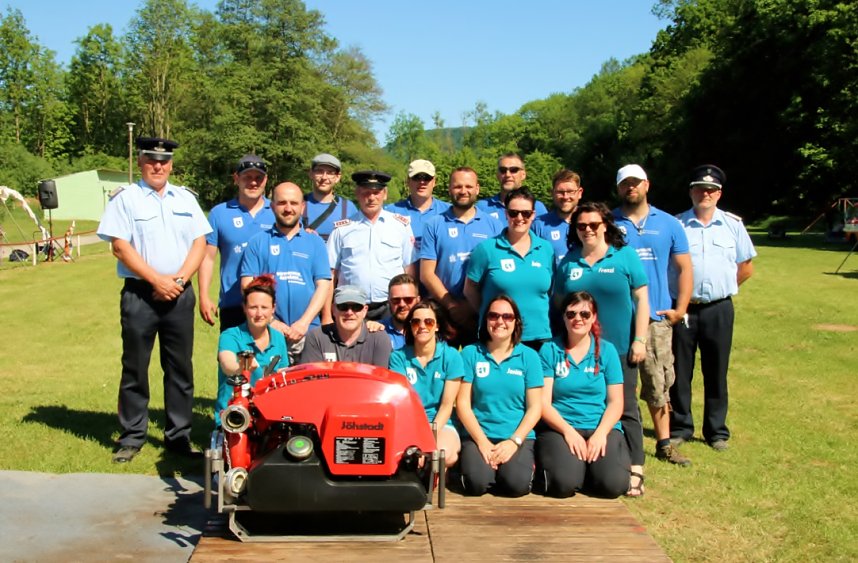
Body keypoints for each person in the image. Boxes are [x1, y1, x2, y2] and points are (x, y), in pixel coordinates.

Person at [96, 137, 211, 463]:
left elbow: (200, 243)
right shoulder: (125, 199)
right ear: (141, 162)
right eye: (151, 160)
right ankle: (132, 436)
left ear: (171, 165)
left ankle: (178, 437)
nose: (158, 166)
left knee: (180, 368)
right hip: (140, 294)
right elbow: (120, 247)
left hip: (179, 293)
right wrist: (157, 280)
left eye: (164, 161)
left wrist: (178, 281)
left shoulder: (186, 198)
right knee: (135, 366)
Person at [553, 201, 650, 495]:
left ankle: (636, 466)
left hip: (619, 348)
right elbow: (559, 304)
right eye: (581, 226)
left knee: (626, 407)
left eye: (594, 224)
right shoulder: (569, 262)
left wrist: (640, 339)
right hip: (579, 349)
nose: (588, 230)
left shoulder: (624, 256)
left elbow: (642, 299)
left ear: (605, 225)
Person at [613, 164, 694, 474]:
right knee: (617, 381)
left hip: (655, 316)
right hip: (618, 316)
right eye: (625, 184)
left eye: (636, 182)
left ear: (647, 184)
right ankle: (619, 438)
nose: (630, 188)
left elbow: (685, 267)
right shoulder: (608, 222)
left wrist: (680, 308)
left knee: (657, 380)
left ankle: (664, 443)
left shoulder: (669, 223)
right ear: (618, 188)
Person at [670, 165, 756, 452]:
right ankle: (681, 426)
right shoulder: (677, 225)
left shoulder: (732, 225)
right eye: (699, 189)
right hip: (683, 308)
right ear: (691, 192)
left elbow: (746, 266)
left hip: (718, 308)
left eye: (710, 190)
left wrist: (723, 287)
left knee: (716, 370)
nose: (704, 194)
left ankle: (716, 431)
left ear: (719, 194)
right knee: (680, 371)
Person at [536, 291, 630, 498]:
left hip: (600, 426)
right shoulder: (550, 350)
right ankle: (576, 469)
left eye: (585, 314)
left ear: (594, 317)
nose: (578, 319)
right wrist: (568, 431)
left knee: (612, 486)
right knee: (563, 484)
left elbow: (616, 402)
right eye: (571, 314)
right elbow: (543, 403)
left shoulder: (607, 351)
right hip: (561, 426)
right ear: (563, 317)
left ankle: (592, 469)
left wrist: (600, 434)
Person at [456, 295, 543, 496]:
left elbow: (535, 408)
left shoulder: (529, 357)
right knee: (476, 484)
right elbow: (462, 404)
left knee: (515, 485)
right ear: (485, 319)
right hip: (479, 434)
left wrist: (514, 442)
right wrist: (482, 442)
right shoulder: (470, 353)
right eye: (493, 316)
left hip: (516, 436)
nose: (500, 321)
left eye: (507, 316)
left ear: (516, 321)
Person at [240, 182, 332, 364]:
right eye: (282, 203)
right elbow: (247, 286)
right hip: (267, 331)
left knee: (309, 381)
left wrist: (304, 322)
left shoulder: (316, 243)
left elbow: (323, 285)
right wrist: (271, 321)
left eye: (294, 203)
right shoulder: (258, 242)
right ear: (272, 206)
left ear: (302, 207)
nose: (288, 209)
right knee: (267, 380)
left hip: (308, 332)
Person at [464, 187, 555, 350]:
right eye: (514, 213)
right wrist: (488, 314)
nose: (519, 218)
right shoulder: (487, 249)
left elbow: (549, 291)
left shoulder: (546, 249)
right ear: (506, 214)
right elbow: (470, 289)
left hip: (539, 337)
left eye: (526, 213)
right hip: (498, 337)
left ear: (533, 215)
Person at [420, 167, 502, 347]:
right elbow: (426, 274)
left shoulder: (494, 226)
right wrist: (452, 306)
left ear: (477, 189)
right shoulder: (434, 224)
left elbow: (497, 271)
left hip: (480, 311)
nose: (463, 191)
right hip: (444, 311)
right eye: (458, 186)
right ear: (449, 189)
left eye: (468, 186)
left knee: (478, 363)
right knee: (442, 363)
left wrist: (471, 306)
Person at [327, 170, 417, 321]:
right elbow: (330, 275)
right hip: (352, 307)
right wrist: (326, 315)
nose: (371, 198)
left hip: (391, 305)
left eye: (376, 192)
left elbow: (410, 269)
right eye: (366, 193)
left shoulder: (400, 226)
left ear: (385, 194)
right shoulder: (342, 229)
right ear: (357, 193)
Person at [199, 154, 275, 331]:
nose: (253, 182)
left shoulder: (278, 211)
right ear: (236, 178)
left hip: (271, 305)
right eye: (247, 177)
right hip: (232, 303)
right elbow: (207, 258)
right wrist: (204, 296)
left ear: (266, 180)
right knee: (232, 349)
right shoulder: (219, 213)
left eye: (258, 178)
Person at [388, 300, 464, 467]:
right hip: (408, 422)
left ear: (437, 326)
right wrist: (416, 435)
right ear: (410, 326)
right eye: (416, 322)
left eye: (428, 322)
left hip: (442, 423)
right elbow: (402, 402)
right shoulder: (398, 357)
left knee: (443, 455)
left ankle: (441, 475)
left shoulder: (451, 356)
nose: (422, 326)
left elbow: (446, 405)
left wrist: (428, 435)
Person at [215, 275, 288, 422]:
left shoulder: (278, 338)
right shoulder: (230, 336)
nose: (259, 314)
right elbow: (227, 365)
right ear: (244, 308)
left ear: (273, 309)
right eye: (253, 307)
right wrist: (243, 366)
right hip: (234, 416)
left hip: (268, 415)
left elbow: (283, 375)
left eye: (264, 307)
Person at [300, 285, 392, 366]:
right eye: (343, 307)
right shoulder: (316, 337)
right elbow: (311, 376)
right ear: (333, 309)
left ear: (365, 311)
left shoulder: (378, 339)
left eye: (356, 307)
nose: (349, 312)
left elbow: (381, 377)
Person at [385, 159, 450, 253]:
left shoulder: (449, 211)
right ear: (408, 181)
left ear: (434, 182)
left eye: (427, 178)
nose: (422, 182)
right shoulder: (390, 212)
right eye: (417, 177)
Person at [476, 152, 548, 227]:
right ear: (497, 175)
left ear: (523, 174)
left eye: (513, 170)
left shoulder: (537, 208)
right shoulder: (482, 207)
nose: (507, 174)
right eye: (503, 170)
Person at [532, 169, 583, 263]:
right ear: (552, 193)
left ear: (579, 193)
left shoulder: (592, 223)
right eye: (560, 192)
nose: (565, 197)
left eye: (570, 191)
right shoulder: (539, 225)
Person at [302, 153, 357, 242]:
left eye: (330, 173)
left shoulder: (348, 208)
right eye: (319, 171)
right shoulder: (297, 204)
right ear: (311, 174)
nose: (324, 177)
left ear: (337, 177)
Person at [378, 273, 420, 350]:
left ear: (418, 300)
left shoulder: (428, 329)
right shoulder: (378, 331)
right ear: (389, 301)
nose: (402, 304)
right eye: (396, 300)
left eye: (408, 299)